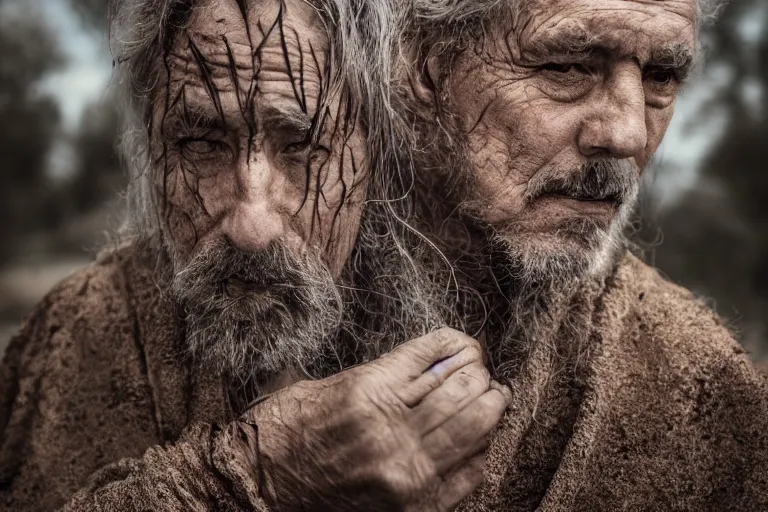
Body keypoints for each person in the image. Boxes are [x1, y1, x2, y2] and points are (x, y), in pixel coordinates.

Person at [0, 0, 511, 509]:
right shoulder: (76, 335)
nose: (251, 227)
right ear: (150, 146)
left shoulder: (493, 322)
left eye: (304, 146)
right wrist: (262, 472)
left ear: (374, 150)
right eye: (202, 143)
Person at [376, 0, 768, 509]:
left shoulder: (710, 397)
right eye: (568, 67)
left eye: (662, 76)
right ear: (423, 66)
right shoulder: (268, 294)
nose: (629, 134)